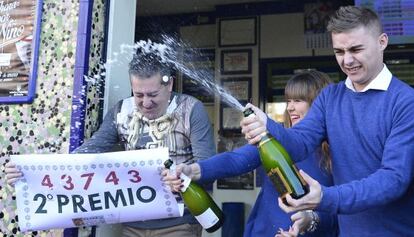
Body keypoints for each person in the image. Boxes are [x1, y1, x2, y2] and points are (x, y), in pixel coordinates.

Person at [5, 42, 216, 237]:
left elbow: (208, 167)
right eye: (138, 94)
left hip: (180, 222)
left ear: (169, 84)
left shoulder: (191, 109)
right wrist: (32, 170)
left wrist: (181, 175)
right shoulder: (122, 111)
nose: (145, 103)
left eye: (152, 94)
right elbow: (91, 150)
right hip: (133, 221)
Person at [241, 6, 414, 237]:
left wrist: (325, 197)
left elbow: (394, 179)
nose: (347, 60)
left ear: (382, 42)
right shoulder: (330, 97)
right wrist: (267, 126)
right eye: (339, 51)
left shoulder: (405, 102)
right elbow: (300, 141)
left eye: (356, 49)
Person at [164, 70, 338, 237]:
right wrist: (192, 170)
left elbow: (339, 207)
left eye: (298, 101)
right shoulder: (275, 140)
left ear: (318, 104)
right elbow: (236, 160)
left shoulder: (336, 151)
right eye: (288, 101)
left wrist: (311, 220)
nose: (290, 108)